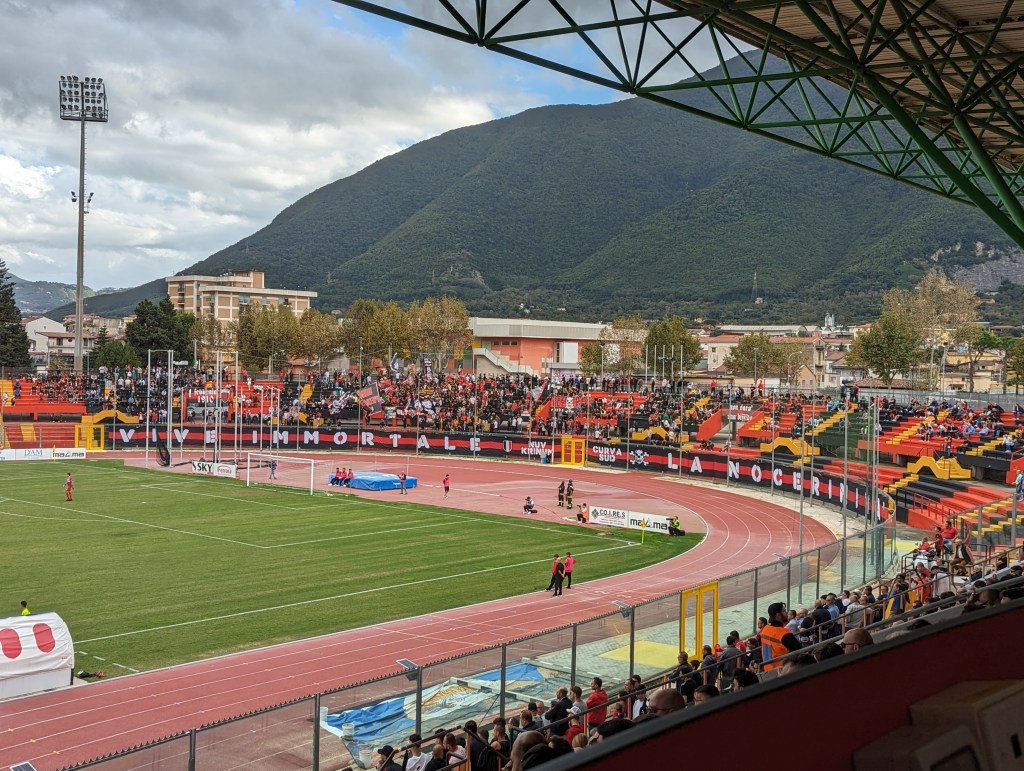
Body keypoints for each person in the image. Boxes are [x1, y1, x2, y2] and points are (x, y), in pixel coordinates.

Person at [759, 602, 803, 671]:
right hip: (782, 670)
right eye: (784, 611)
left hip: (768, 669)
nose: (786, 613)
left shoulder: (765, 630)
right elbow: (799, 649)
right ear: (778, 615)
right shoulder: (783, 633)